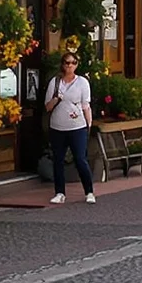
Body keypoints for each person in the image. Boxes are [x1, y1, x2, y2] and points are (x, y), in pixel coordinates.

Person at [43, 50, 96, 204]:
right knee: (58, 160)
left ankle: (89, 191)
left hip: (77, 127)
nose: (70, 66)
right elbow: (47, 107)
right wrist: (56, 98)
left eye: (73, 63)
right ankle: (59, 192)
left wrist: (89, 124)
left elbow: (86, 105)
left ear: (77, 65)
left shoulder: (82, 82)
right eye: (67, 63)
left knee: (80, 159)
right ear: (62, 65)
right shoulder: (55, 82)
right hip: (58, 127)